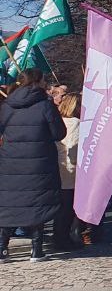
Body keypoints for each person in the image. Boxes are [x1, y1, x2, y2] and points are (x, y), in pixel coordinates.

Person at [0, 69, 68, 262]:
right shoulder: (45, 105)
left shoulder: (7, 105)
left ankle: (2, 248)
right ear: (38, 82)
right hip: (39, 162)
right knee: (38, 203)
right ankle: (36, 250)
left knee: (9, 203)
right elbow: (58, 133)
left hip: (10, 162)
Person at [52, 92, 81, 251]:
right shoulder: (76, 123)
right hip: (70, 170)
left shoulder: (59, 121)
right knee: (68, 208)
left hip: (57, 167)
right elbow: (73, 149)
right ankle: (63, 239)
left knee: (61, 207)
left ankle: (59, 236)